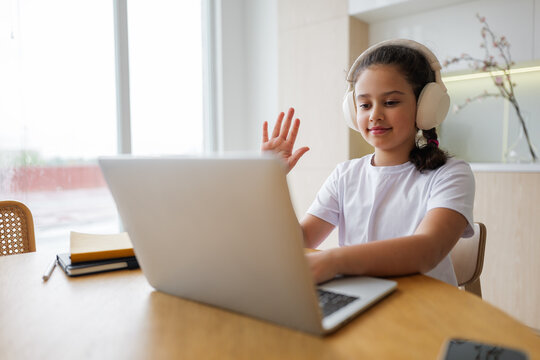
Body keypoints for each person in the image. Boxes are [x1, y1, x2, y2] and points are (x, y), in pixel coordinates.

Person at [261, 39, 475, 286]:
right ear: (353, 112)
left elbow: (427, 250)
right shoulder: (345, 175)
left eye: (391, 102)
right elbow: (299, 241)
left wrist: (333, 261)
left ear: (425, 107)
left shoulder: (450, 174)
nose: (375, 115)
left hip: (422, 307)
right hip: (358, 297)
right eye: (364, 104)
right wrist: (272, 181)